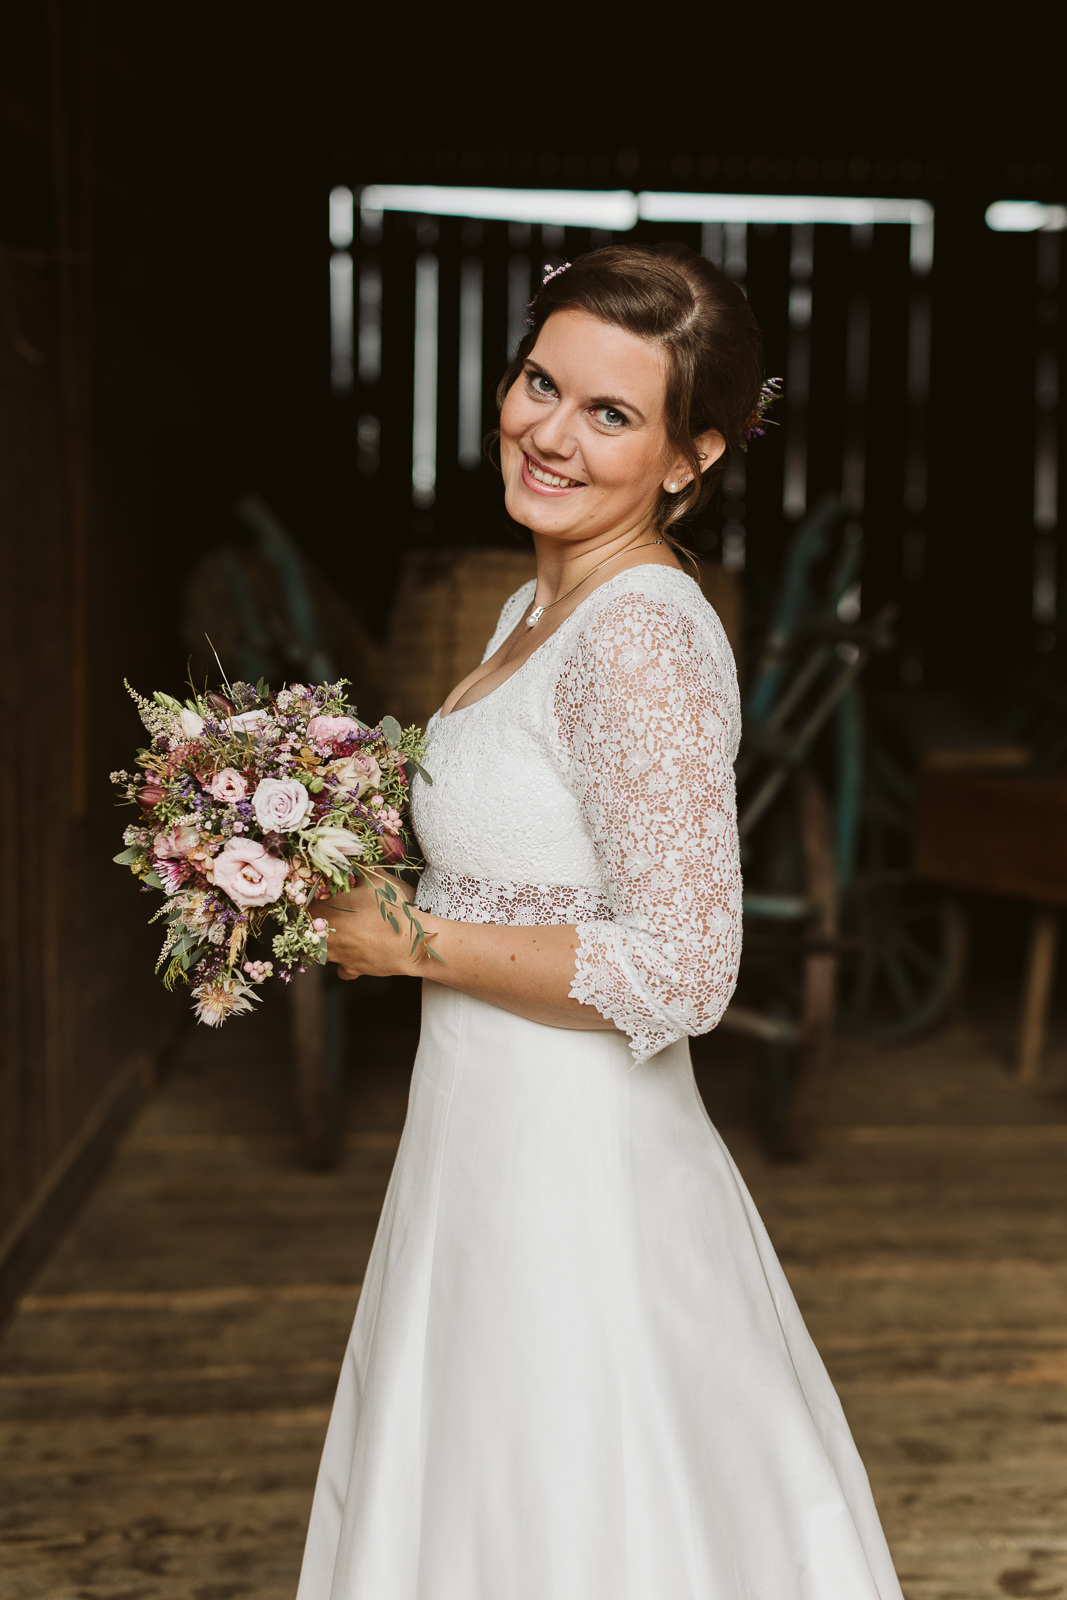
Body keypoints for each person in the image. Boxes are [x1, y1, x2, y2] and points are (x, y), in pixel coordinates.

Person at [296, 243, 903, 1599]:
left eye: (609, 414)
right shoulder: (533, 602)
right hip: (485, 1132)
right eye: (538, 383)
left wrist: (408, 942)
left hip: (575, 1167)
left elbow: (687, 968)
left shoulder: (639, 634)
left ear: (691, 458)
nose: (548, 433)